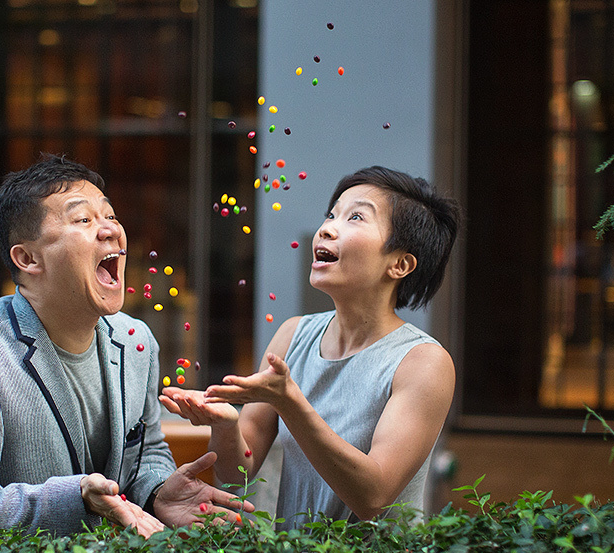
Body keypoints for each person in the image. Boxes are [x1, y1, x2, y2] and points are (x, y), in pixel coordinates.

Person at [0, 154, 250, 547]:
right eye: (83, 220)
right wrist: (76, 498)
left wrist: (157, 494)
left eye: (111, 216)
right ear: (27, 258)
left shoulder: (135, 342)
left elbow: (146, 452)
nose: (111, 231)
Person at [160, 166, 460, 530]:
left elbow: (374, 497)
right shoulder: (293, 334)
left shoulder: (423, 362)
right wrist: (226, 424)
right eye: (331, 214)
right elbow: (237, 473)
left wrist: (291, 403)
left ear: (399, 264)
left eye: (356, 217)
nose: (328, 227)